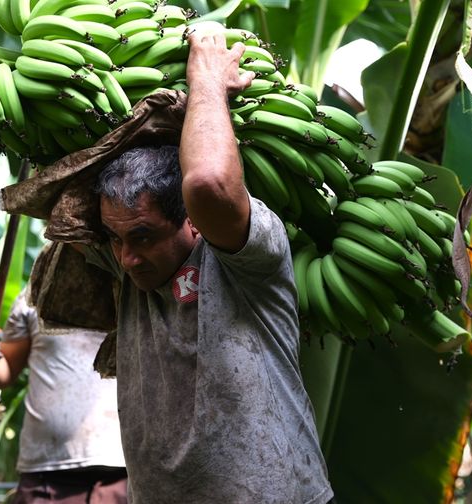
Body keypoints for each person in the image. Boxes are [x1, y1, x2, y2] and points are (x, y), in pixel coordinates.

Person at [70, 32, 334, 502]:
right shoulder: (130, 273)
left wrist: (207, 82)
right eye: (116, 239)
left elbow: (210, 182)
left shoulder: (246, 259)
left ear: (190, 220)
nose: (128, 258)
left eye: (143, 237)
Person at [0, 287, 128, 504]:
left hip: (121, 468)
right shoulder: (35, 294)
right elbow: (4, 375)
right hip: (46, 471)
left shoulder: (130, 289)